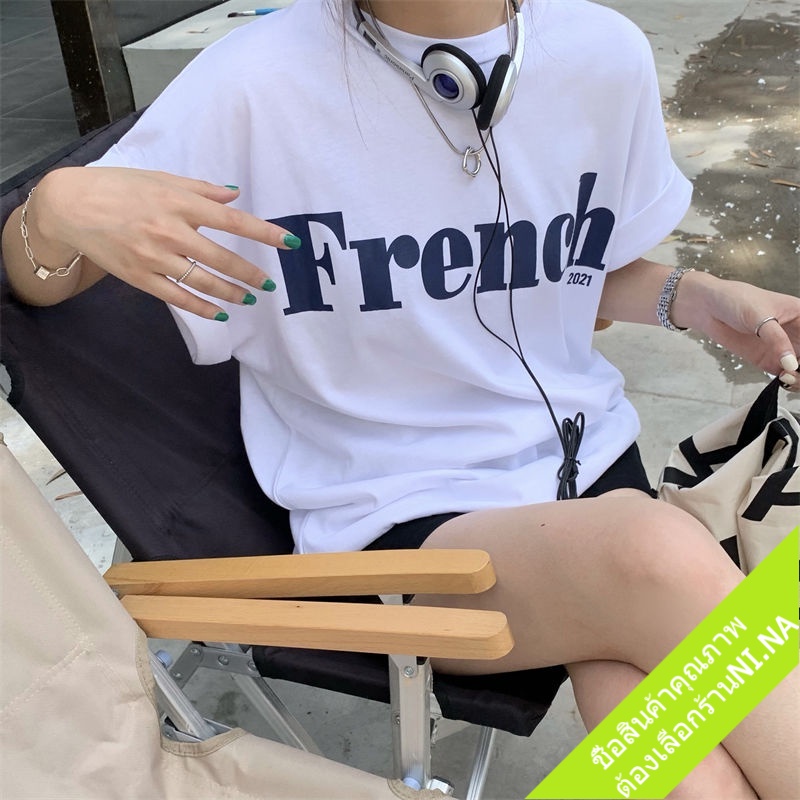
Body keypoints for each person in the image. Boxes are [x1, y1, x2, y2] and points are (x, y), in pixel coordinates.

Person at [2, 1, 798, 796]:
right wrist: (55, 208)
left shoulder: (603, 53)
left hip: (586, 464)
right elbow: (45, 282)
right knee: (652, 556)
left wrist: (696, 297)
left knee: (668, 726)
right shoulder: (251, 82)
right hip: (402, 518)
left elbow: (567, 270)